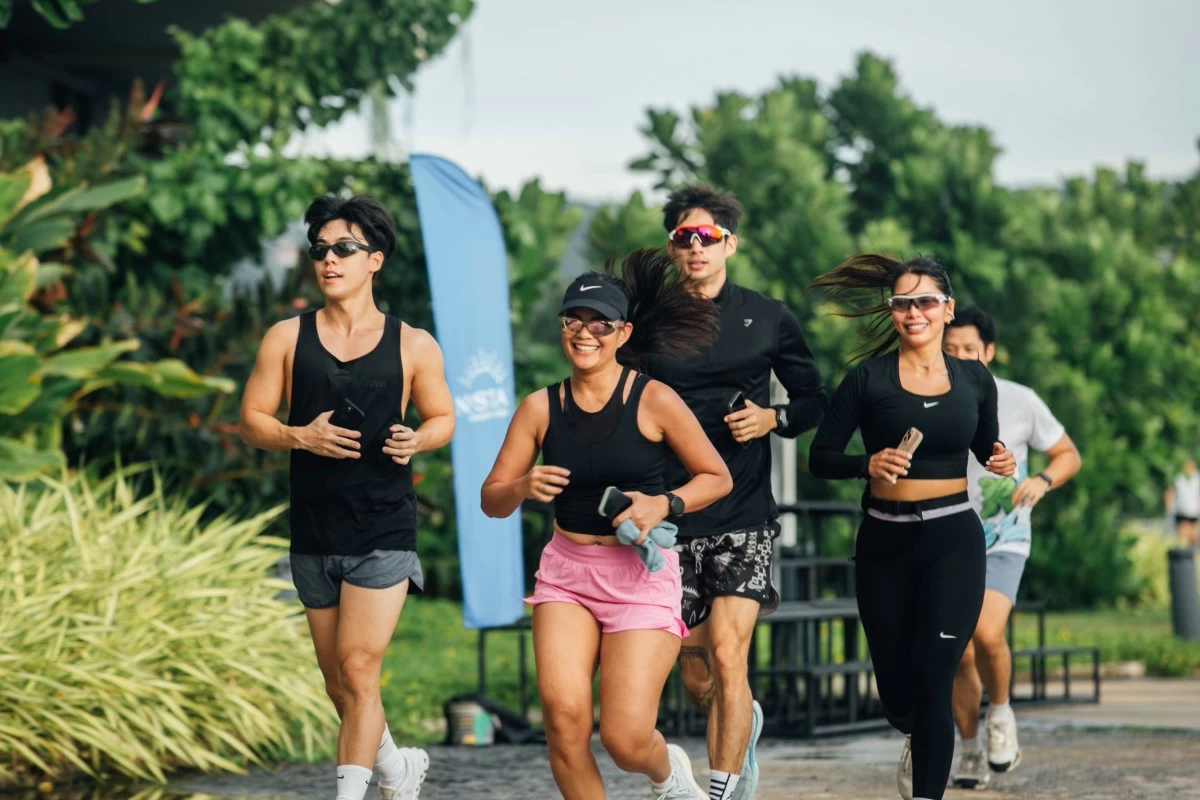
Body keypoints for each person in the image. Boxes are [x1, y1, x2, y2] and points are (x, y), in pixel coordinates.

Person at [481, 249, 733, 800]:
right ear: (563, 328)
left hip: (640, 576)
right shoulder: (540, 408)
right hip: (567, 573)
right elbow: (491, 500)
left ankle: (667, 775)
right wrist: (522, 488)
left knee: (623, 738)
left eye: (601, 324)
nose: (586, 332)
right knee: (565, 722)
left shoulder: (653, 399)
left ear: (623, 333)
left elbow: (716, 476)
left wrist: (664, 503)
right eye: (575, 320)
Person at [239, 195, 455, 800]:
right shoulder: (286, 338)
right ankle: (396, 769)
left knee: (360, 669)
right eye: (320, 250)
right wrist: (297, 434)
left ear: (375, 260)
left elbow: (443, 419)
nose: (328, 260)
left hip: (383, 526)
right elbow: (252, 420)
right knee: (339, 682)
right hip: (313, 530)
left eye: (343, 249)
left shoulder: (413, 344)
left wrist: (419, 438)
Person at [807, 255, 1016, 800]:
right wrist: (866, 464)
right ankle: (913, 731)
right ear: (893, 312)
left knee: (934, 675)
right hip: (884, 542)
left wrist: (1000, 459)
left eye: (924, 301)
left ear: (946, 309)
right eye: (902, 303)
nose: (913, 311)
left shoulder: (975, 378)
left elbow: (982, 443)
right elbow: (821, 456)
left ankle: (927, 785)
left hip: (952, 540)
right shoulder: (867, 378)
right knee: (898, 690)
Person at [643, 185, 827, 800]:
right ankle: (741, 723)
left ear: (730, 244)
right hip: (672, 514)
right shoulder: (648, 320)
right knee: (696, 673)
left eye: (708, 237)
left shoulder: (768, 316)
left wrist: (772, 418)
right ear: (671, 247)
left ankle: (721, 791)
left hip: (744, 512)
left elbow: (814, 402)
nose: (696, 247)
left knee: (729, 654)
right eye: (684, 238)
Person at [943, 306, 1082, 788]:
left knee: (985, 631)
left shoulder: (1019, 400)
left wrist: (1042, 480)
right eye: (951, 350)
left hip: (1005, 535)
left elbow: (1068, 454)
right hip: (945, 536)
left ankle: (1000, 712)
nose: (960, 358)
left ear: (989, 352)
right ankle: (969, 751)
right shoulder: (925, 396)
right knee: (957, 653)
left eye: (969, 351)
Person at [1165, 459, 1200, 548]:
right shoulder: (1178, 478)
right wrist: (1170, 509)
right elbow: (1169, 493)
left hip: (1193, 512)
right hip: (1181, 512)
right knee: (1183, 537)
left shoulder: (1197, 478)